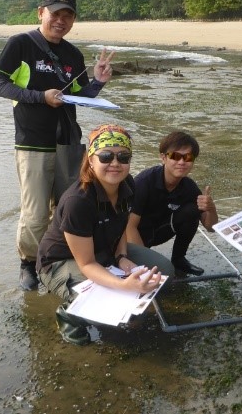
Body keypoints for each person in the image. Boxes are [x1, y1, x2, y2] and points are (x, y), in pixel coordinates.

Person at [0, 0, 116, 291]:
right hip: (32, 143)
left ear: (73, 20)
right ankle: (27, 263)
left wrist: (98, 82)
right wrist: (39, 97)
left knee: (66, 208)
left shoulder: (73, 55)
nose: (61, 20)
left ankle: (54, 259)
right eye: (55, 14)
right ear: (41, 13)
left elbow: (80, 99)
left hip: (67, 144)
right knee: (34, 215)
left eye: (68, 15)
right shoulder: (21, 44)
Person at [37, 124, 175, 345]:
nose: (115, 163)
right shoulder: (78, 202)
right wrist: (123, 285)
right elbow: (87, 264)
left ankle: (116, 289)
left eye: (123, 157)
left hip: (106, 250)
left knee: (165, 272)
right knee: (116, 297)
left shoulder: (127, 185)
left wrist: (122, 258)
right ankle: (70, 315)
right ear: (91, 160)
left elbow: (120, 227)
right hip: (62, 261)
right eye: (106, 156)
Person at [126, 131, 218, 276]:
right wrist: (143, 264)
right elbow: (129, 227)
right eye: (175, 156)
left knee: (192, 210)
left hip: (160, 231)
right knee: (160, 273)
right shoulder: (144, 182)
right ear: (163, 157)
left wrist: (211, 209)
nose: (182, 162)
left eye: (188, 157)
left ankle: (179, 259)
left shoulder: (189, 187)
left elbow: (211, 228)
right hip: (136, 235)